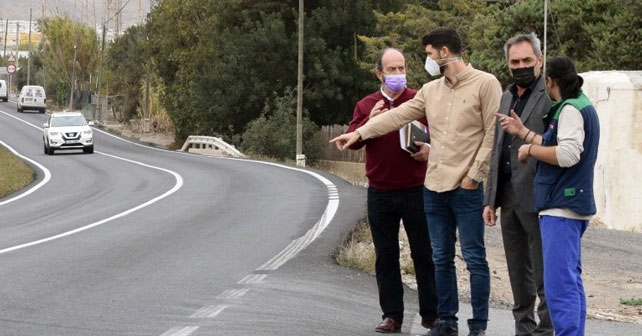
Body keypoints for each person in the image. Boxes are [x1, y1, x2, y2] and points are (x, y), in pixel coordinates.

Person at [332, 27, 501, 336]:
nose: (425, 61)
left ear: (444, 53)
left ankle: (472, 325)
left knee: (468, 258)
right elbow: (395, 118)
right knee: (438, 258)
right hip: (422, 189)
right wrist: (358, 132)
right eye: (392, 68)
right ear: (379, 74)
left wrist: (473, 176)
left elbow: (491, 135)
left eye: (427, 54)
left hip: (454, 188)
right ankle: (441, 322)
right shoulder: (430, 91)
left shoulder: (485, 84)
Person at [495, 56, 600, 336]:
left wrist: (528, 151)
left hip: (561, 207)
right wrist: (524, 133)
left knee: (558, 287)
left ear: (550, 81)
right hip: (568, 206)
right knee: (570, 282)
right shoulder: (579, 105)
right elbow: (554, 142)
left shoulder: (568, 110)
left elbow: (567, 154)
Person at [344, 48, 438, 334]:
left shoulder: (420, 99)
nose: (398, 74)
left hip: (416, 189)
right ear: (379, 73)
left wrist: (429, 151)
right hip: (380, 192)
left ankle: (431, 314)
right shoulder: (366, 104)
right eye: (392, 69)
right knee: (386, 255)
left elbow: (441, 135)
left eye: (402, 68)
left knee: (424, 253)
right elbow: (353, 141)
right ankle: (392, 315)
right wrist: (367, 121)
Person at [483, 33, 554, 336]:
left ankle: (546, 331)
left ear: (540, 60)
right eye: (515, 62)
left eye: (527, 60)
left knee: (544, 273)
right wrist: (490, 198)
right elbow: (498, 146)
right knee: (517, 273)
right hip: (508, 196)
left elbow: (557, 145)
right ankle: (523, 330)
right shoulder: (506, 96)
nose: (521, 66)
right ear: (508, 64)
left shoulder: (551, 96)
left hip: (540, 196)